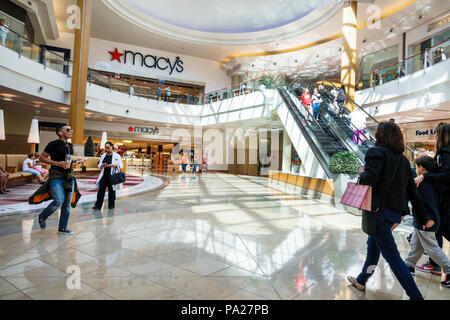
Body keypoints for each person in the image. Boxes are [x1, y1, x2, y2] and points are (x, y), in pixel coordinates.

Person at [347, 122, 433, 300]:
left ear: (381, 136)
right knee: (373, 248)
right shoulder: (403, 161)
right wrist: (423, 217)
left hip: (378, 213)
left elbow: (369, 178)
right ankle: (362, 280)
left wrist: (361, 172)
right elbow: (412, 192)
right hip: (394, 214)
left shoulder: (375, 153)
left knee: (392, 257)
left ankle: (416, 297)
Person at [405, 156, 450, 288]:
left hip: (426, 220)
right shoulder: (435, 183)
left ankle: (448, 270)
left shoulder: (423, 184)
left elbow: (424, 204)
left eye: (417, 167)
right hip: (428, 218)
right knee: (416, 243)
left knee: (432, 248)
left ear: (422, 168)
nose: (416, 169)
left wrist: (426, 219)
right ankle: (409, 265)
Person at [32, 124, 84, 235]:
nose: (71, 131)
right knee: (59, 200)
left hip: (69, 177)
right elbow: (42, 158)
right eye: (68, 129)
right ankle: (43, 216)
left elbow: (67, 161)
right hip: (56, 176)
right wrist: (57, 163)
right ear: (60, 132)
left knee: (67, 204)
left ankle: (63, 228)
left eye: (71, 129)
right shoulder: (53, 144)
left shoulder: (70, 145)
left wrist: (75, 161)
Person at [414, 123, 450, 276]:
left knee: (438, 232)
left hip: (446, 200)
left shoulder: (445, 152)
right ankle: (430, 264)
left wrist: (425, 176)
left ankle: (438, 265)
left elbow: (446, 176)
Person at [92, 142, 123, 210]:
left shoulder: (117, 156)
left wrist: (114, 165)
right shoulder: (103, 155)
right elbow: (99, 165)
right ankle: (98, 205)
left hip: (112, 176)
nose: (106, 149)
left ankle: (111, 206)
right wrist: (102, 165)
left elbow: (121, 165)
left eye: (108, 147)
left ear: (112, 147)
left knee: (112, 191)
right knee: (101, 190)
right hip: (104, 175)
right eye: (105, 147)